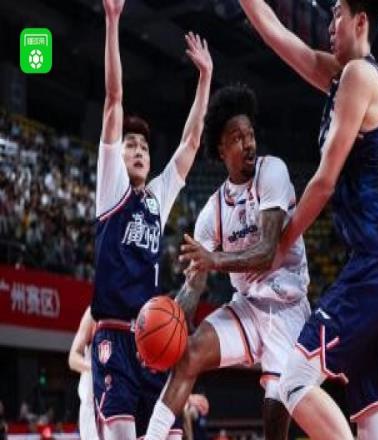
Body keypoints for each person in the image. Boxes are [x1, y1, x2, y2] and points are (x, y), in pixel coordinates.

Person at [239, 0, 378, 439]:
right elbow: (278, 36)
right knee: (373, 428)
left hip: (377, 262)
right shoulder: (345, 78)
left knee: (294, 381)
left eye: (337, 13)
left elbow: (324, 183)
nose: (329, 24)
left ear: (361, 21)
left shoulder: (358, 75)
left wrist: (279, 245)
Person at [145, 84, 310, 440]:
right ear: (221, 150)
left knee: (275, 404)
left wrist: (214, 259)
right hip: (248, 306)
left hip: (288, 307)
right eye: (237, 138)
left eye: (250, 135)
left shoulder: (272, 171)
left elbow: (267, 252)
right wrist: (169, 323)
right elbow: (194, 286)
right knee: (189, 354)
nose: (248, 144)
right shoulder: (212, 212)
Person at [92, 1, 213, 439]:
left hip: (152, 340)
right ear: (118, 155)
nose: (139, 150)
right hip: (113, 336)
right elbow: (114, 100)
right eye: (131, 145)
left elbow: (191, 142)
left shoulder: (157, 198)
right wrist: (112, 21)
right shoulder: (112, 187)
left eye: (144, 146)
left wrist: (205, 78)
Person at [68, 307, 98, 440]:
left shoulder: (133, 308)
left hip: (123, 401)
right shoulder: (93, 312)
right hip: (92, 405)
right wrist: (96, 368)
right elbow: (73, 359)